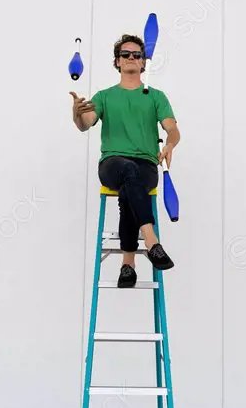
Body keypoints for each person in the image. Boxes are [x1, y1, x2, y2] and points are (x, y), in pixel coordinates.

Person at [70, 33, 180, 287]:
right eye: (125, 54)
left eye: (137, 55)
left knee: (131, 187)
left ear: (143, 62)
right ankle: (152, 242)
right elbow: (85, 124)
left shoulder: (155, 96)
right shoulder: (104, 96)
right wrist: (77, 114)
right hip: (112, 163)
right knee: (128, 172)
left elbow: (172, 129)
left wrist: (170, 144)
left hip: (146, 165)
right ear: (117, 62)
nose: (131, 58)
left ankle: (128, 265)